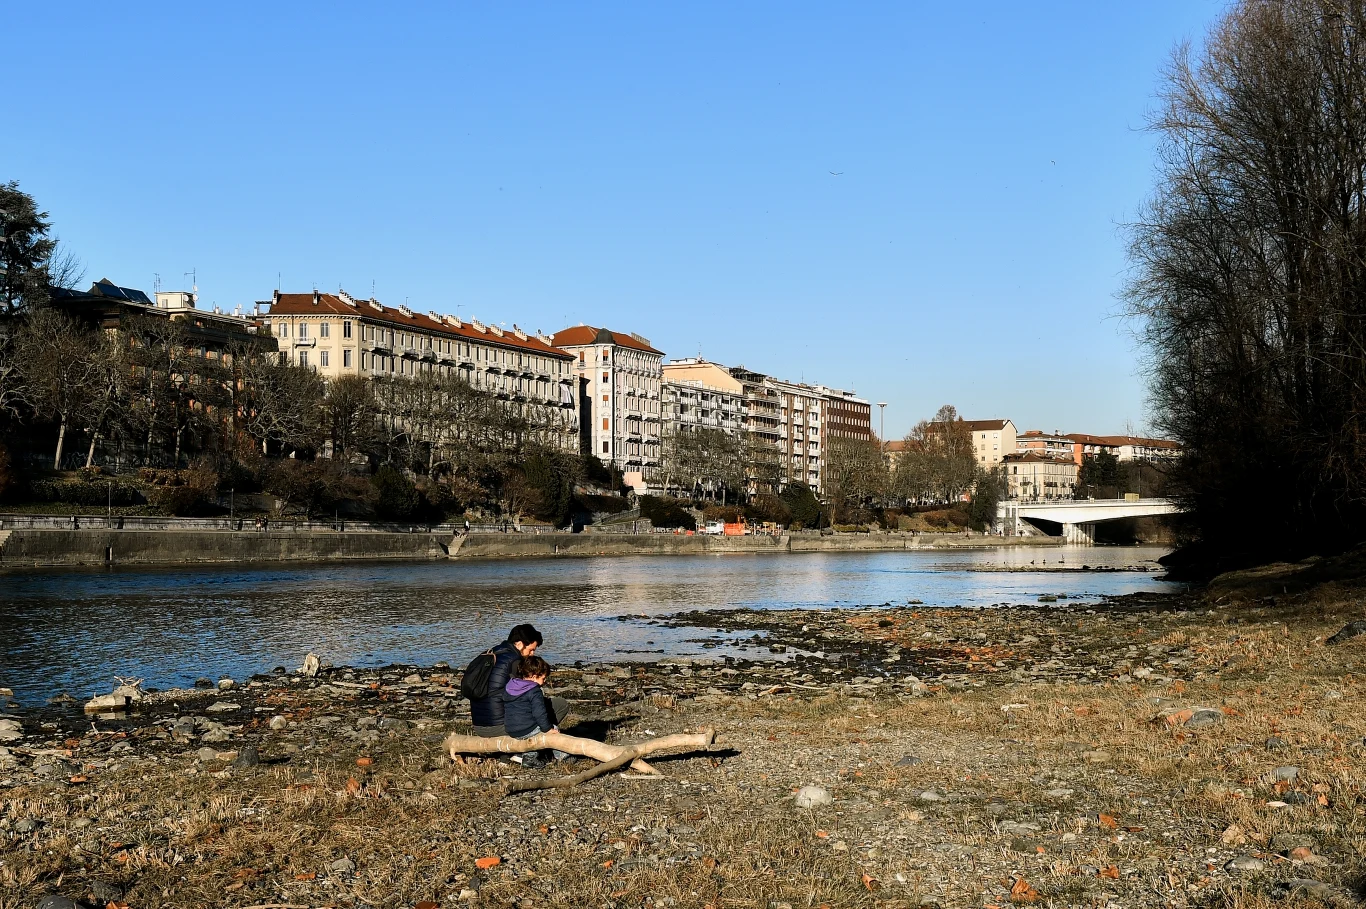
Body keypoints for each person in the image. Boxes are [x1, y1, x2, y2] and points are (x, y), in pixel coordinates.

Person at [469, 623, 572, 738]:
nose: (532, 654)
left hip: (479, 725)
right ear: (519, 644)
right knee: (560, 704)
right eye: (531, 650)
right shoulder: (516, 662)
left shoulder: (491, 653)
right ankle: (536, 741)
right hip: (502, 727)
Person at [502, 655, 570, 767]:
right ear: (534, 676)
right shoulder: (534, 691)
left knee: (531, 732)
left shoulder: (510, 686)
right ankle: (562, 757)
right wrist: (548, 729)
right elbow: (539, 713)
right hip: (526, 728)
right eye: (543, 678)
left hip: (511, 728)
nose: (544, 682)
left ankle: (526, 755)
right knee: (552, 730)